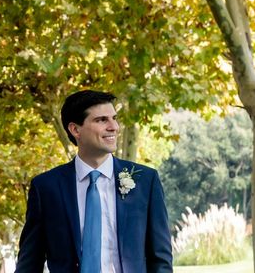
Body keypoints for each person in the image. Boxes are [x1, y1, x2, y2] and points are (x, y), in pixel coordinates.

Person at [15, 90, 173, 273]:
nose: (113, 126)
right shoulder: (46, 187)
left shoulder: (145, 181)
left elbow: (160, 259)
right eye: (101, 120)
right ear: (75, 129)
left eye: (114, 118)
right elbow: (30, 261)